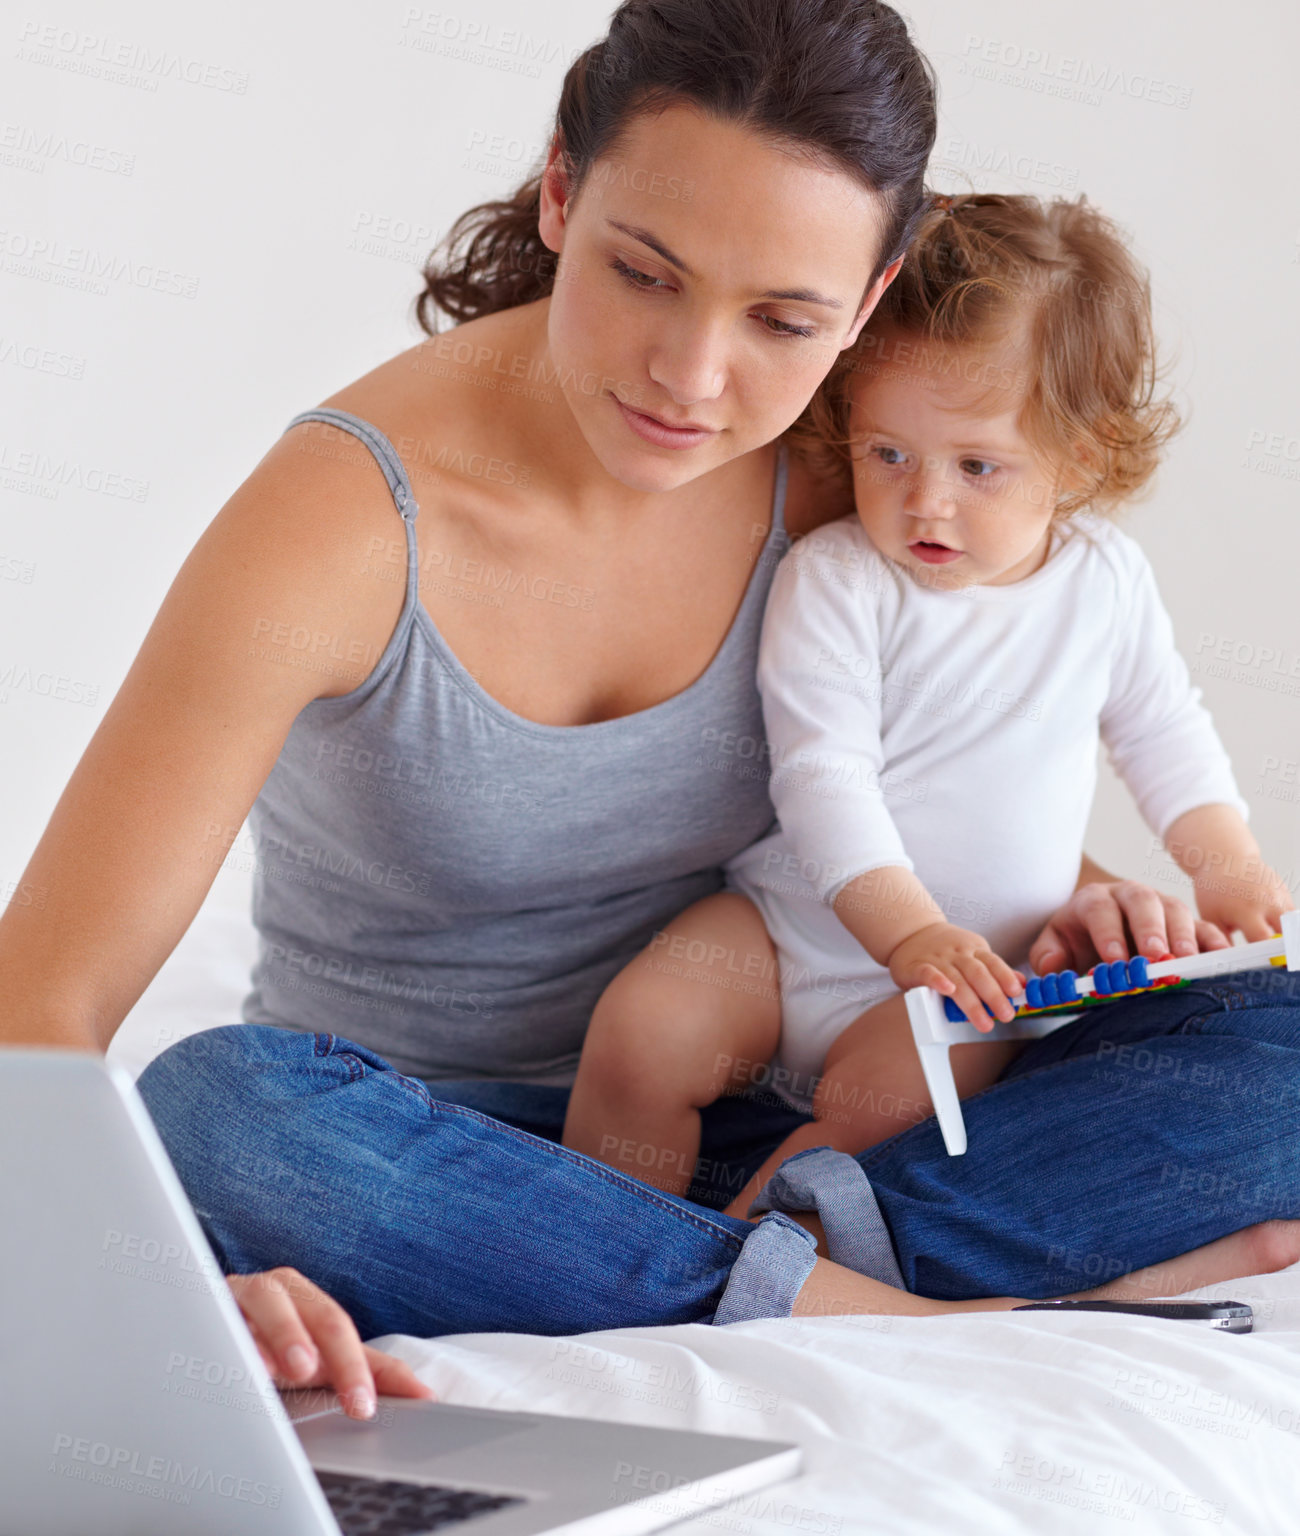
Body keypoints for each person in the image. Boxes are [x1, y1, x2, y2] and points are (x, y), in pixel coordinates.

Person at [3, 1, 1296, 1426]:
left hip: (796, 1118)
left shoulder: (851, 475)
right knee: (213, 1113)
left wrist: (1086, 906)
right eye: (643, 272)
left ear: (870, 303)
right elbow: (37, 1006)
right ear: (562, 189)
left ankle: (778, 1273)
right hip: (416, 1151)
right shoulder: (342, 525)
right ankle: (902, 1311)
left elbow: (944, 771)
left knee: (1279, 1041)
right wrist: (146, 1275)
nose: (693, 377)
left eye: (786, 319)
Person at [560, 192, 1296, 1217]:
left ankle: (717, 1259)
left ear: (1079, 458)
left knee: (887, 1112)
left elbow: (1162, 731)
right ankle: (592, 1233)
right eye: (887, 453)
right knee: (640, 1030)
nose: (924, 501)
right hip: (790, 933)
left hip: (967, 984)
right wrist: (906, 934)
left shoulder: (1105, 583)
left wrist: (1230, 870)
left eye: (976, 467)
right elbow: (821, 774)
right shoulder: (838, 578)